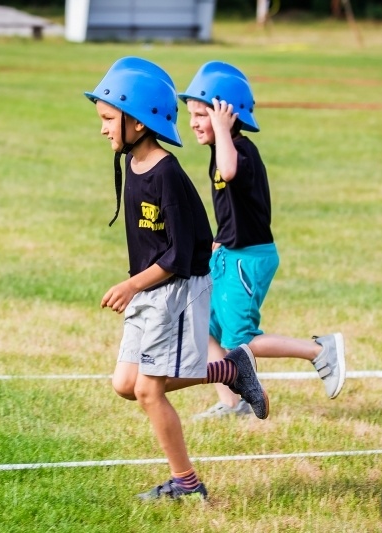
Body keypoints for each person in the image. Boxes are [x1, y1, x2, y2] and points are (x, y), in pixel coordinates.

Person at [85, 57, 271, 500]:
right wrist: (138, 286)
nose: (104, 129)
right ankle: (228, 368)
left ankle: (187, 484)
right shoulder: (133, 164)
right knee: (125, 385)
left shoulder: (167, 173)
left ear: (139, 121)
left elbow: (181, 251)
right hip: (150, 289)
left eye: (109, 119)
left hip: (177, 291)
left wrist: (132, 285)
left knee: (149, 389)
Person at [178, 61, 346, 420]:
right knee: (204, 327)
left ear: (226, 113)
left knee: (242, 341)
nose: (193, 122)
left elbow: (230, 171)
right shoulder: (220, 152)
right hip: (230, 253)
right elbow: (232, 206)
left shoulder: (241, 151)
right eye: (190, 114)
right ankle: (232, 403)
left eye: (201, 114)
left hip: (249, 259)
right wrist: (219, 241)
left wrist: (222, 129)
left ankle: (319, 351)